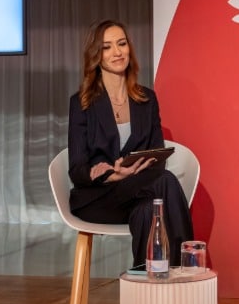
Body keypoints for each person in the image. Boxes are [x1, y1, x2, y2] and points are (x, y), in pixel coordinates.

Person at [67, 19, 194, 267]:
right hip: (99, 199)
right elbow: (77, 169)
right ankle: (188, 271)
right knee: (165, 182)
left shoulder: (147, 99)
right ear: (96, 55)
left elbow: (157, 158)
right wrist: (109, 175)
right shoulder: (81, 103)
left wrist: (133, 172)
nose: (117, 52)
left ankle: (146, 283)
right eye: (107, 47)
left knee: (147, 211)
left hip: (139, 195)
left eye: (122, 44)